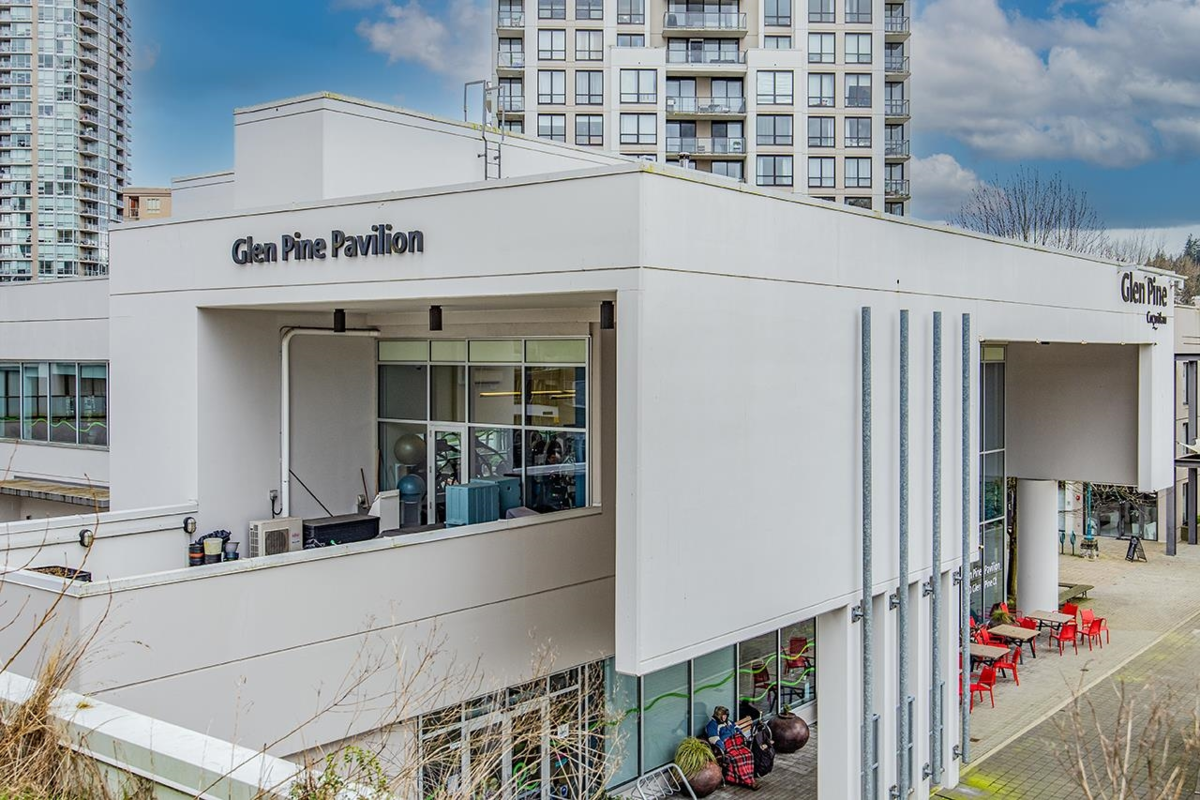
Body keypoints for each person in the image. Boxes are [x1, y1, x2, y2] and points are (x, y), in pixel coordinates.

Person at [705, 706, 759, 791]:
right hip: (727, 746)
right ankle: (749, 782)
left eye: (726, 715)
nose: (724, 717)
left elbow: (737, 728)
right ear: (718, 715)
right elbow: (714, 739)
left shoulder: (728, 722)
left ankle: (749, 776)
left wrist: (740, 736)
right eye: (723, 715)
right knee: (737, 758)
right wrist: (723, 748)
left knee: (749, 754)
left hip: (737, 744)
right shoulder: (712, 725)